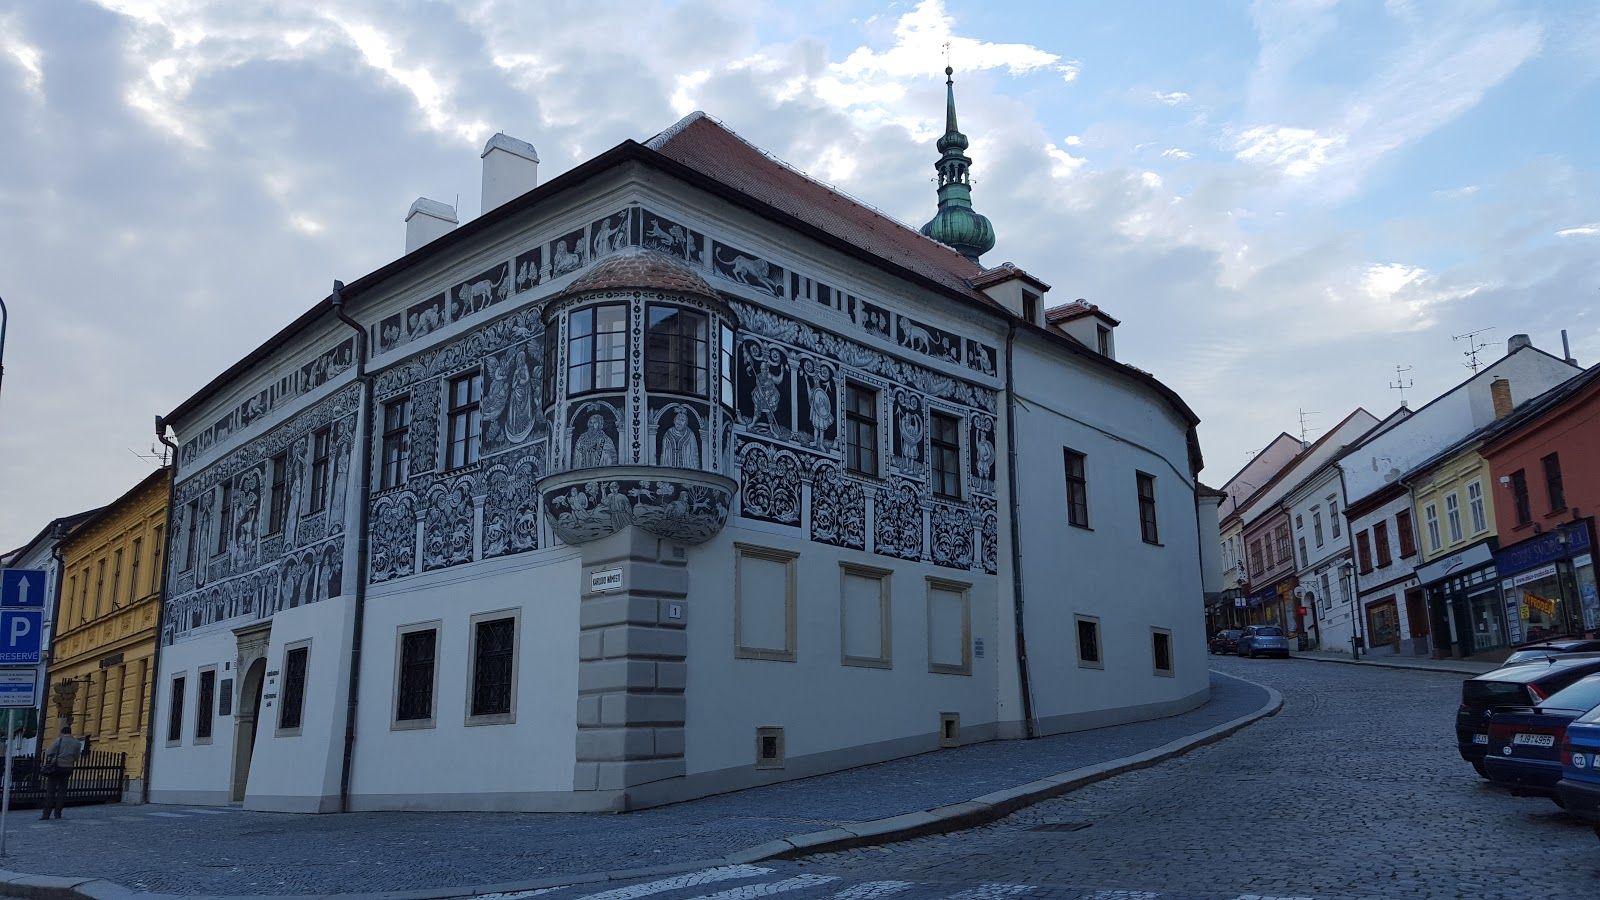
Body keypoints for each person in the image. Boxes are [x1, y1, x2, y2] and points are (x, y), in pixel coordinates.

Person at [41, 724, 82, 820]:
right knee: (62, 791)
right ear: (70, 732)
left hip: (56, 767)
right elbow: (76, 757)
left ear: (62, 732)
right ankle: (58, 813)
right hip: (68, 768)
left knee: (50, 791)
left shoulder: (59, 740)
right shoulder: (77, 743)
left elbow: (49, 752)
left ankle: (46, 814)